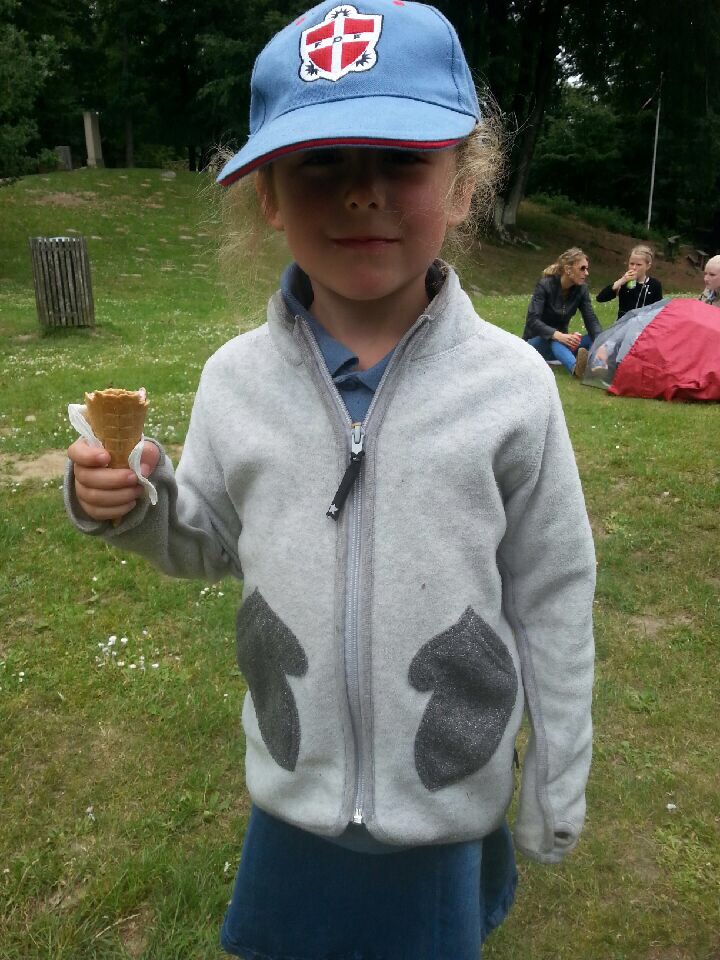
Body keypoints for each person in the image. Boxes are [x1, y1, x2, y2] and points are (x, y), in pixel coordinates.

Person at [64, 3, 596, 958]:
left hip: (444, 802)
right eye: (321, 164)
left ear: (463, 184)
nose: (361, 194)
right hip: (295, 800)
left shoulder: (513, 388)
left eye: (401, 160)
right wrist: (137, 504)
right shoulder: (236, 381)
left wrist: (556, 779)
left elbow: (553, 593)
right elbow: (206, 540)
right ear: (268, 196)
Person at [522, 247, 602, 379]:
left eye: (587, 269)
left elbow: (590, 319)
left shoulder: (581, 289)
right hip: (535, 343)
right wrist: (558, 335)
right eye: (582, 268)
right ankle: (576, 368)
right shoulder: (545, 285)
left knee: (594, 337)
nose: (586, 273)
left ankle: (598, 366)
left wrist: (601, 343)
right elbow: (532, 320)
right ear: (568, 269)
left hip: (562, 343)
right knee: (555, 341)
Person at [596, 244, 663, 319]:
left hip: (644, 323)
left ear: (648, 266)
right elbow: (600, 298)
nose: (634, 267)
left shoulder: (654, 285)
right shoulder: (624, 282)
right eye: (631, 264)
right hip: (624, 323)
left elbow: (658, 310)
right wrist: (621, 280)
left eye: (638, 265)